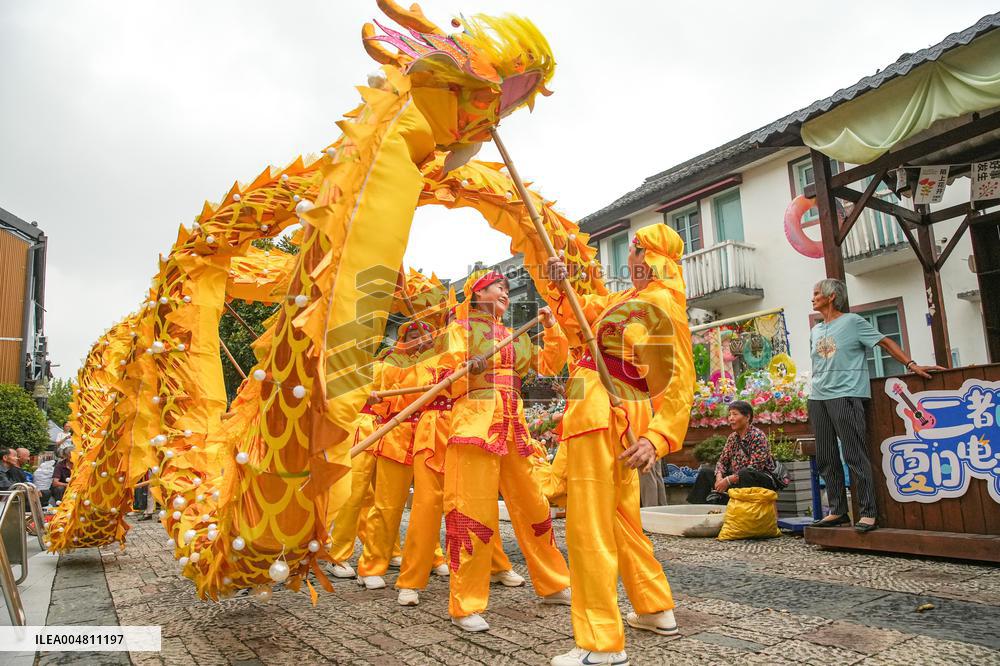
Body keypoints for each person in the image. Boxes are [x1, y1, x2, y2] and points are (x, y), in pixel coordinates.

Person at [544, 224, 694, 666]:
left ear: (651, 258)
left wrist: (657, 437)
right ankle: (654, 606)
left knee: (588, 525)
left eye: (636, 250)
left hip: (606, 416)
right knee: (620, 519)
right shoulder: (623, 301)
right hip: (601, 413)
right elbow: (579, 313)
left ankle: (599, 643)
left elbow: (680, 379)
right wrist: (560, 282)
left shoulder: (661, 303)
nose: (630, 259)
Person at [423, 269, 571, 632]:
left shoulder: (512, 334)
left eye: (506, 288)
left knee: (534, 504)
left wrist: (551, 328)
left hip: (513, 425)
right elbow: (442, 367)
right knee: (471, 512)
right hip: (474, 424)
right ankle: (466, 603)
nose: (504, 292)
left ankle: (553, 582)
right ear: (475, 294)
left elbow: (549, 364)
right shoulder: (459, 329)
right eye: (495, 287)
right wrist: (464, 365)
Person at [808, 278, 941, 533]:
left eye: (816, 293)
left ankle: (868, 512)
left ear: (832, 296)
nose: (812, 298)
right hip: (818, 397)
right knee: (826, 456)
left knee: (854, 454)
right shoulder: (815, 330)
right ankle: (837, 511)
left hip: (846, 394)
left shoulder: (853, 322)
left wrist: (911, 365)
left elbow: (885, 342)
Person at [687, 401, 777, 504]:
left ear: (747, 417)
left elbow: (754, 468)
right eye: (729, 415)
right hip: (736, 479)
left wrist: (727, 480)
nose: (730, 418)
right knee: (705, 472)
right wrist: (719, 478)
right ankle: (699, 510)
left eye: (735, 414)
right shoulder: (733, 438)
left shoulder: (757, 436)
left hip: (758, 480)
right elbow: (722, 462)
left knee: (745, 473)